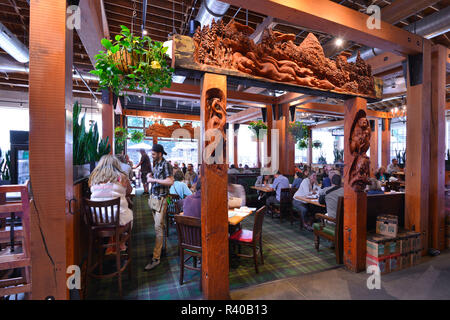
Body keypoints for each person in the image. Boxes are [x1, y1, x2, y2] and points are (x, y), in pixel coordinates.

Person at [89, 155, 133, 251]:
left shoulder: (93, 178)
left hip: (96, 219)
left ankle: (106, 248)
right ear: (116, 165)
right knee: (129, 214)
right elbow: (129, 191)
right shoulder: (122, 177)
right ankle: (121, 242)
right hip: (117, 220)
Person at [145, 144, 174, 271]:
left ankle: (156, 258)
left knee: (158, 228)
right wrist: (150, 176)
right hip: (154, 198)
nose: (152, 155)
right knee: (160, 226)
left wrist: (154, 180)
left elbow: (170, 181)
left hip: (162, 198)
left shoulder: (166, 164)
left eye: (154, 154)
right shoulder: (157, 164)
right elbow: (158, 177)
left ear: (160, 153)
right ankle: (161, 250)